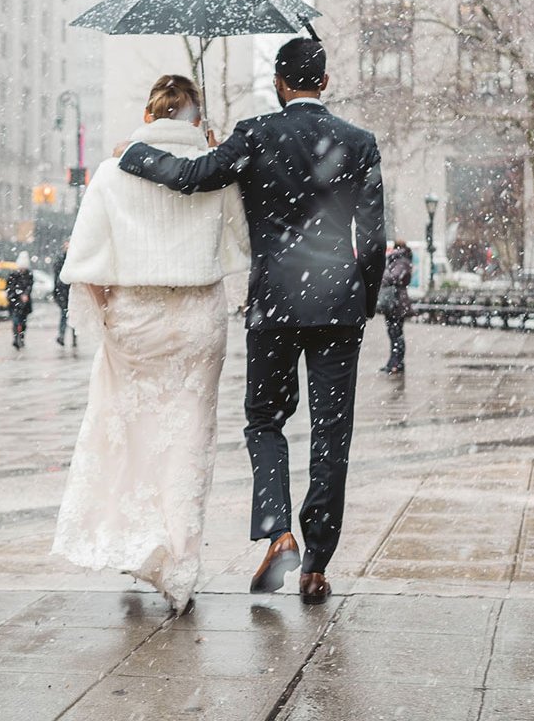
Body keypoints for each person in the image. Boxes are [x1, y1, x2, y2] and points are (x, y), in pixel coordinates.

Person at [118, 37, 385, 606]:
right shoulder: (359, 143)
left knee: (265, 420)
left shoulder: (256, 133)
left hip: (276, 305)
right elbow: (374, 237)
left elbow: (192, 176)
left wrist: (136, 154)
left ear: (279, 83)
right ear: (325, 82)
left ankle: (278, 529)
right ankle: (316, 564)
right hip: (339, 307)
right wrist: (363, 302)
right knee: (331, 433)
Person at [52, 75, 249, 614]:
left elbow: (87, 261)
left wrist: (114, 308)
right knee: (188, 439)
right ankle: (181, 562)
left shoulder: (114, 174)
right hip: (197, 320)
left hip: (135, 314)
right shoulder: (215, 171)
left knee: (130, 435)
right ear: (195, 118)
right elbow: (239, 250)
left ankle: (136, 543)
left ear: (150, 114)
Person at [378, 241, 413, 375]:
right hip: (394, 301)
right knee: (394, 333)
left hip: (396, 301)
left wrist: (383, 274)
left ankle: (396, 363)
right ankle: (394, 362)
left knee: (396, 333)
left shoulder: (401, 260)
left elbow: (395, 277)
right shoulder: (399, 260)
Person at [7, 253, 33, 350]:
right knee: (16, 321)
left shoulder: (29, 275)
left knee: (23, 323)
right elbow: (10, 288)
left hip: (24, 304)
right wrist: (19, 295)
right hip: (15, 303)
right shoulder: (13, 275)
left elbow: (29, 287)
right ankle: (16, 339)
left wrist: (25, 295)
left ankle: (21, 338)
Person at [52, 241, 73, 346]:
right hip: (64, 293)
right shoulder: (61, 260)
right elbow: (56, 278)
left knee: (72, 316)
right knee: (65, 315)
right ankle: (62, 336)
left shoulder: (73, 259)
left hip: (71, 292)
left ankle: (73, 338)